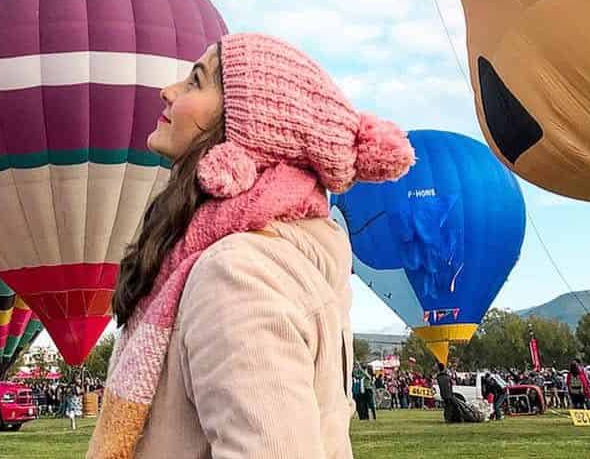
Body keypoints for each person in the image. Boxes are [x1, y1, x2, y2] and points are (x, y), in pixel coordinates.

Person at [86, 34, 415, 459]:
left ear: (244, 133)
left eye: (196, 81)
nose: (168, 92)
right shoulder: (266, 257)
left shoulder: (236, 274)